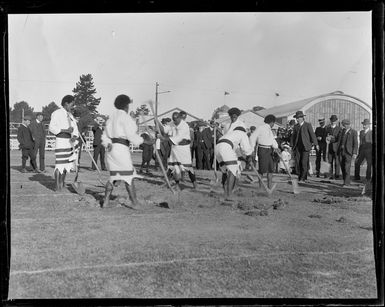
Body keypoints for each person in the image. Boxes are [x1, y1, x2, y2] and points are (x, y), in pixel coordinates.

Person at [101, 94, 152, 209]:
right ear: (126, 105)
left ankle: (106, 202)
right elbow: (131, 135)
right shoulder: (126, 118)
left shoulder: (111, 118)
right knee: (128, 176)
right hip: (121, 149)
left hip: (111, 150)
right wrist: (146, 141)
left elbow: (105, 136)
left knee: (114, 176)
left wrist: (107, 143)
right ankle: (134, 203)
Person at [216, 119, 252, 200]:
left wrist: (245, 159)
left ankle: (225, 192)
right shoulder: (242, 134)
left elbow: (237, 153)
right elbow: (246, 148)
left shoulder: (230, 134)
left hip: (218, 147)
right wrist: (249, 157)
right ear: (243, 130)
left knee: (224, 171)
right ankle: (229, 195)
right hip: (226, 147)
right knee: (232, 170)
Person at [49, 95, 79, 191]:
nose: (73, 107)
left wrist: (74, 136)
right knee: (60, 164)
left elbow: (75, 129)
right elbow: (51, 128)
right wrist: (65, 130)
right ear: (66, 103)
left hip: (69, 142)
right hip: (61, 141)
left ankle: (61, 184)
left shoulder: (71, 115)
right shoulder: (56, 113)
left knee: (67, 164)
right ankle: (57, 186)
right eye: (72, 104)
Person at [162, 112, 197, 190]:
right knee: (173, 167)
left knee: (188, 167)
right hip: (175, 148)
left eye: (176, 119)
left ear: (180, 118)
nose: (175, 121)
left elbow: (178, 138)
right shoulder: (172, 123)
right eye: (174, 119)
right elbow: (165, 130)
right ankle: (172, 183)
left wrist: (165, 139)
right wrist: (157, 123)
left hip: (184, 149)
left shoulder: (184, 126)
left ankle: (195, 184)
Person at [249, 114, 279, 189]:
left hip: (270, 150)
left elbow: (272, 140)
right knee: (262, 170)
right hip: (262, 150)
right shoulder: (260, 128)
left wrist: (276, 147)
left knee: (271, 169)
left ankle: (269, 187)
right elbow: (252, 137)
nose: (273, 125)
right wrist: (252, 149)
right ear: (271, 122)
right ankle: (260, 187)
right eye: (273, 123)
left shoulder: (270, 130)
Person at [290, 111, 319, 183]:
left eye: (299, 118)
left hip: (306, 147)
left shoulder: (308, 125)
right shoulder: (296, 126)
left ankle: (302, 178)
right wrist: (291, 145)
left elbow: (312, 135)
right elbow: (293, 137)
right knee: (298, 162)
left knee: (304, 162)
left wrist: (316, 144)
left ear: (302, 118)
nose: (297, 119)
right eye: (297, 118)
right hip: (298, 147)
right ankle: (301, 177)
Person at [338, 119, 358, 187]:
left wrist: (354, 153)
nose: (344, 126)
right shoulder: (342, 131)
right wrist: (331, 139)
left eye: (345, 125)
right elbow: (338, 140)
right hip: (341, 152)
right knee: (342, 167)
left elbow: (355, 143)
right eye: (343, 125)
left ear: (349, 125)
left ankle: (347, 183)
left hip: (348, 153)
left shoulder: (353, 132)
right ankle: (345, 181)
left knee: (347, 167)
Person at [326, 115, 342, 179]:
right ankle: (330, 175)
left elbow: (339, 138)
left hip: (336, 148)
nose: (333, 122)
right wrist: (327, 138)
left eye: (334, 121)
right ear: (330, 121)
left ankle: (337, 175)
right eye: (332, 121)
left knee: (337, 162)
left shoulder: (339, 129)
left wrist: (331, 138)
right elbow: (326, 136)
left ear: (336, 121)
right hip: (329, 147)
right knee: (330, 162)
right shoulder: (327, 128)